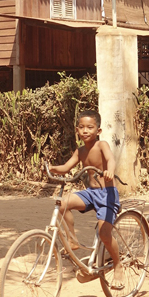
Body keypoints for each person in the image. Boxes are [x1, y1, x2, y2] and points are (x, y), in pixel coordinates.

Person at [49, 109, 121, 284]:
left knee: (105, 233)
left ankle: (118, 265)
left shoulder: (101, 145)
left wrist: (110, 170)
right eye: (81, 127)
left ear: (98, 131)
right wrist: (51, 168)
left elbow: (111, 159)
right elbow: (66, 168)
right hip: (90, 194)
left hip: (107, 195)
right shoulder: (80, 151)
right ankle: (73, 241)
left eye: (90, 127)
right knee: (62, 203)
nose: (85, 131)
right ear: (77, 130)